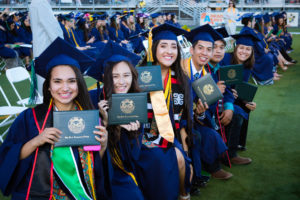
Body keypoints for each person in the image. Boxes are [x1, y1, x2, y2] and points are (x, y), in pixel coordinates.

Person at [0, 37, 108, 199]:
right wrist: (37, 140)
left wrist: (103, 146)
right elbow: (8, 156)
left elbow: (95, 167)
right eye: (57, 81)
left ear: (79, 84)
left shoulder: (87, 116)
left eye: (71, 81)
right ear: (49, 87)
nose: (65, 88)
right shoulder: (30, 119)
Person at [138, 23, 192, 200]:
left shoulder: (182, 81)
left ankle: (183, 194)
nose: (169, 51)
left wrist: (184, 144)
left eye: (173, 47)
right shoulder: (139, 76)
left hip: (169, 135)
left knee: (182, 162)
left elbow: (184, 117)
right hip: (141, 135)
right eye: (163, 46)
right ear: (153, 48)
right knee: (162, 160)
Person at [88, 41, 144, 199]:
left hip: (124, 166)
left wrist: (133, 134)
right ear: (104, 77)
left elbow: (133, 156)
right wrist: (105, 122)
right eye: (115, 76)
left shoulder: (135, 101)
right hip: (100, 168)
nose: (121, 82)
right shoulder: (92, 100)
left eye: (126, 75)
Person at [181, 24, 233, 181]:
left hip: (193, 119)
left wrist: (200, 112)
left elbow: (203, 109)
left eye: (209, 49)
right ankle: (203, 171)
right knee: (202, 134)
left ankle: (211, 166)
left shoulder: (205, 76)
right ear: (192, 50)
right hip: (176, 121)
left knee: (208, 132)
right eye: (200, 48)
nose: (205, 53)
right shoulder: (180, 70)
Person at [221, 32, 260, 151]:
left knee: (246, 107)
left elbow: (240, 88)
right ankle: (228, 149)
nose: (244, 51)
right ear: (236, 48)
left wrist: (247, 101)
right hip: (220, 96)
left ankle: (238, 142)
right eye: (241, 48)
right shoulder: (225, 59)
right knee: (237, 111)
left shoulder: (247, 67)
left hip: (232, 98)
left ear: (252, 51)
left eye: (248, 49)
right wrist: (228, 94)